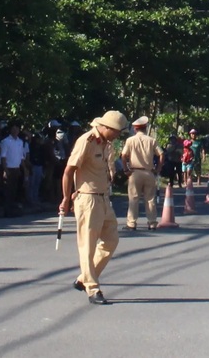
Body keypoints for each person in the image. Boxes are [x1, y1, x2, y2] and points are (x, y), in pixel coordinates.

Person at [60, 110, 127, 305]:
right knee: (87, 247)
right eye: (115, 131)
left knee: (111, 240)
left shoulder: (106, 144)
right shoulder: (86, 141)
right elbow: (69, 170)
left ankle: (84, 279)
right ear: (105, 127)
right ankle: (92, 288)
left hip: (104, 198)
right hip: (88, 199)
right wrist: (66, 198)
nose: (117, 135)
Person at [121, 116, 162, 231]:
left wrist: (125, 170)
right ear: (145, 128)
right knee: (150, 199)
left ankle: (132, 223)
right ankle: (152, 222)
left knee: (133, 198)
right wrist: (158, 168)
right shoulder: (151, 140)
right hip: (149, 172)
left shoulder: (130, 140)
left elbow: (123, 156)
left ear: (135, 129)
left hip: (135, 172)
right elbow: (161, 154)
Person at [0, 122, 28, 205]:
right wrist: (5, 170)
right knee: (8, 190)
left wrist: (24, 168)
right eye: (13, 129)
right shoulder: (6, 141)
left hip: (17, 168)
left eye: (17, 129)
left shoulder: (20, 141)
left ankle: (12, 207)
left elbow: (21, 156)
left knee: (14, 189)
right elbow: (3, 157)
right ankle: (7, 209)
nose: (15, 130)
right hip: (9, 168)